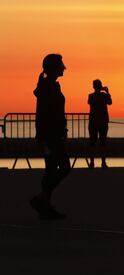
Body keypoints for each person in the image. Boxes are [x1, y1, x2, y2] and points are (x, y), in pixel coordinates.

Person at [30, 54, 70, 220]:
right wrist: (41, 137)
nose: (64, 67)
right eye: (61, 64)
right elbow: (42, 115)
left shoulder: (53, 86)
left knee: (51, 170)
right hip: (50, 136)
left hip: (54, 135)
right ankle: (41, 199)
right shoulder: (47, 87)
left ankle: (44, 206)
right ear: (53, 67)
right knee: (63, 167)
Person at [88, 79, 112, 169]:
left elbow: (90, 103)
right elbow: (110, 102)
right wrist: (107, 92)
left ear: (93, 86)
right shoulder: (104, 96)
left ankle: (92, 163)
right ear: (100, 86)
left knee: (92, 143)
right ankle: (103, 163)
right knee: (103, 142)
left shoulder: (91, 96)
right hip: (103, 121)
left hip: (93, 122)